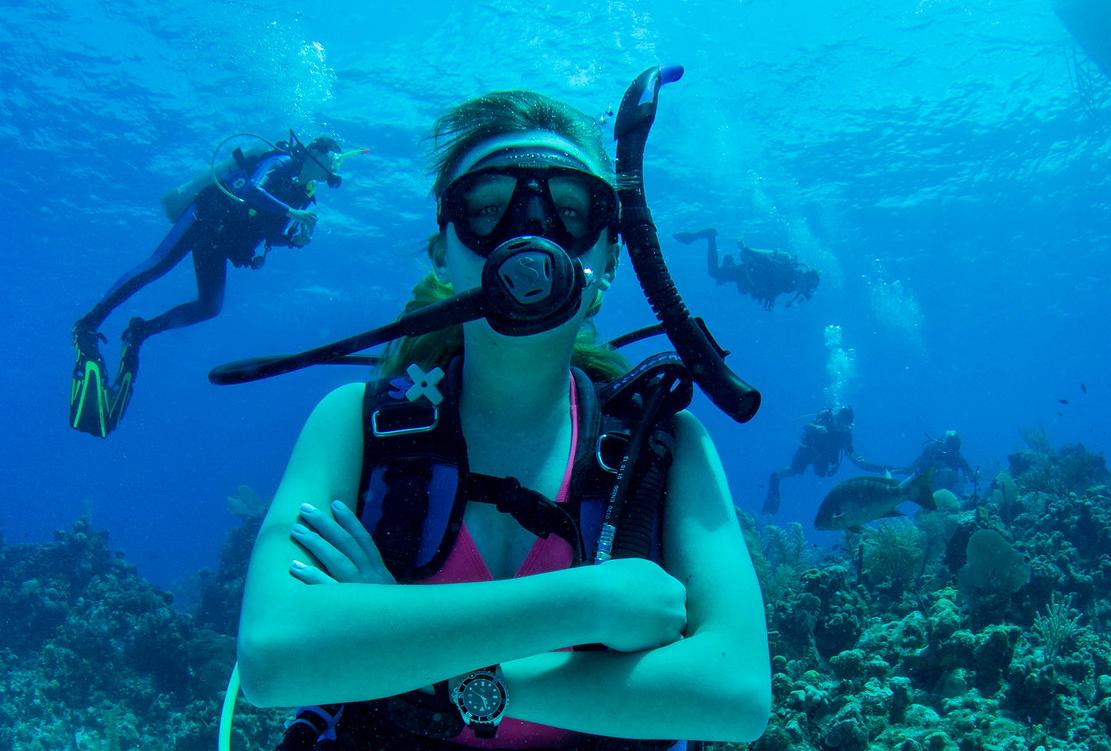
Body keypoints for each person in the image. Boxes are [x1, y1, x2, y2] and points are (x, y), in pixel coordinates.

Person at [236, 91, 770, 750]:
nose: (530, 234)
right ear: (442, 250)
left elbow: (737, 694)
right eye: (488, 208)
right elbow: (272, 657)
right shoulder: (353, 421)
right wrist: (590, 602)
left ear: (609, 257)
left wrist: (405, 643)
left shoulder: (667, 445)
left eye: (570, 211)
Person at [69, 134, 345, 438]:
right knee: (157, 265)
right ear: (315, 152)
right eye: (332, 158)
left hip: (221, 242)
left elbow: (270, 232)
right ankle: (87, 324)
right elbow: (251, 189)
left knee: (210, 306)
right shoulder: (281, 162)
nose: (335, 166)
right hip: (206, 216)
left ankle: (140, 332)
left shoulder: (302, 194)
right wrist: (292, 213)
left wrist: (293, 240)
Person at [763, 406, 889, 516]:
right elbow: (805, 426)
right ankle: (775, 478)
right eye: (839, 420)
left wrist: (863, 462)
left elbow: (851, 455)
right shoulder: (826, 418)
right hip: (809, 449)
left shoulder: (846, 433)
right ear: (837, 416)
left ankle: (886, 469)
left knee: (821, 474)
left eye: (843, 423)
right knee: (793, 470)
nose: (839, 425)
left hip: (824, 456)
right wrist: (816, 427)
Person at [673, 227, 819, 310]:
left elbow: (773, 285)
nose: (804, 291)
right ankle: (710, 235)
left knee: (726, 280)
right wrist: (745, 249)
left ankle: (728, 261)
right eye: (808, 288)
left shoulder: (790, 285)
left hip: (747, 278)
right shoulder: (788, 271)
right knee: (714, 272)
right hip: (748, 271)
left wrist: (770, 297)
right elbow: (766, 263)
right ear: (805, 280)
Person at [898, 430, 974, 493]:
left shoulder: (956, 455)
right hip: (926, 479)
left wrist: (973, 476)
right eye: (950, 445)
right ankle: (896, 485)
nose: (951, 450)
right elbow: (917, 464)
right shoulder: (933, 449)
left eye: (954, 446)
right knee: (902, 487)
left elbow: (968, 471)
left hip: (945, 486)